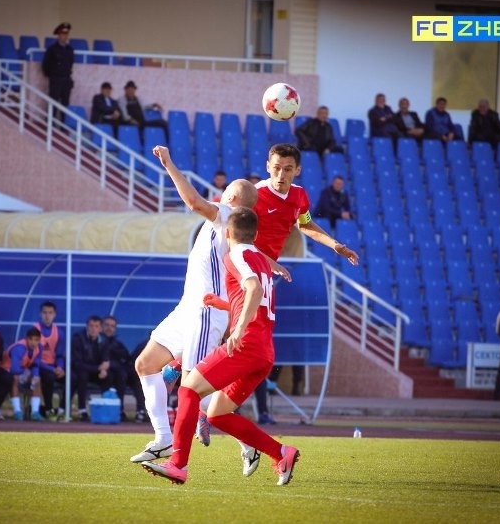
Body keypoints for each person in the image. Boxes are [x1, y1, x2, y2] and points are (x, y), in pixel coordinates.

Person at [141, 207, 300, 486]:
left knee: (188, 389)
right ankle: (281, 453)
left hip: (245, 344)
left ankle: (178, 464)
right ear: (256, 235)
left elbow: (254, 290)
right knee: (216, 414)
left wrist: (237, 329)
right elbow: (256, 300)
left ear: (227, 233)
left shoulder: (235, 255)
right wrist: (224, 305)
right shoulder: (262, 262)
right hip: (264, 351)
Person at [130, 145, 265, 464]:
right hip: (188, 308)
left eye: (226, 190)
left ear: (233, 197)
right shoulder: (229, 221)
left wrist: (169, 164)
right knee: (146, 364)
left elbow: (192, 202)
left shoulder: (226, 215)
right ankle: (163, 438)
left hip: (205, 312)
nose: (221, 193)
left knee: (193, 388)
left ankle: (244, 443)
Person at [250, 143, 359, 427]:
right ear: (267, 167)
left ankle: (232, 408)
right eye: (276, 168)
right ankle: (185, 375)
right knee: (237, 337)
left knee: (258, 348)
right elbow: (236, 239)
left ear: (297, 170)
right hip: (242, 271)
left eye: (287, 169)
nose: (281, 174)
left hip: (264, 276)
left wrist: (335, 245)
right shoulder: (254, 195)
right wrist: (268, 262)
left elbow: (305, 224)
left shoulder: (299, 196)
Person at [70, 315, 112, 421]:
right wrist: (99, 368)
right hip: (80, 371)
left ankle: (106, 408)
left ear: (100, 328)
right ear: (87, 327)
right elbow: (77, 363)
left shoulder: (104, 340)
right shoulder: (78, 338)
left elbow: (105, 357)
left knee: (108, 377)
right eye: (91, 326)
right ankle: (82, 410)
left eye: (96, 326)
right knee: (82, 376)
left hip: (95, 372)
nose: (93, 329)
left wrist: (104, 368)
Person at [1, 328, 44, 421]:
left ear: (39, 340)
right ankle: (17, 411)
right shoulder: (19, 348)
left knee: (37, 379)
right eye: (31, 339)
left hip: (22, 369)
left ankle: (35, 412)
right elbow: (14, 368)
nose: (33, 342)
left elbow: (36, 364)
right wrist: (27, 376)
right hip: (7, 370)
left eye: (36, 340)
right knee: (15, 378)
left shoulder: (39, 348)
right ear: (26, 339)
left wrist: (34, 376)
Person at [102, 315, 139, 421]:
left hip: (119, 374)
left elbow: (126, 357)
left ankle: (140, 411)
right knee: (114, 375)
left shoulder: (117, 343)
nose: (109, 328)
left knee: (132, 376)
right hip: (100, 373)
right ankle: (112, 410)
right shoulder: (98, 341)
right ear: (102, 326)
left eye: (112, 326)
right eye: (107, 325)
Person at [35, 301, 65, 420]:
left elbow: (59, 354)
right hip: (38, 366)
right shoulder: (35, 330)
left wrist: (60, 367)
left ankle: (62, 410)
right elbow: (34, 358)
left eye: (50, 313)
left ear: (54, 315)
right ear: (40, 314)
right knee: (49, 377)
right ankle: (49, 409)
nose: (47, 316)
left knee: (72, 378)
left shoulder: (59, 333)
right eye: (45, 313)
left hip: (53, 366)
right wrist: (52, 369)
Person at [42, 22, 74, 127]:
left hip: (66, 79)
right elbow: (46, 65)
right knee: (53, 102)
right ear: (58, 35)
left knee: (65, 104)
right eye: (63, 34)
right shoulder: (52, 49)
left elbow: (70, 64)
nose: (65, 36)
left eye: (66, 34)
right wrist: (52, 76)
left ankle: (64, 125)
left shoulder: (70, 50)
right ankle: (50, 124)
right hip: (56, 79)